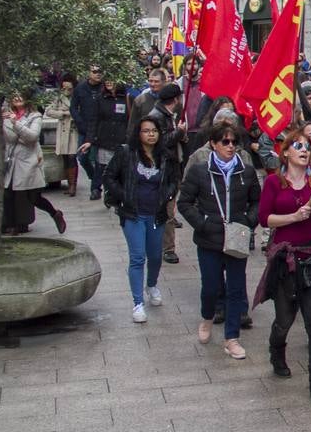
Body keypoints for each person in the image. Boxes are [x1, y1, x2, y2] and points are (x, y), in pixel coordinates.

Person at [256, 130, 311, 405]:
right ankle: (277, 350)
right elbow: (265, 219)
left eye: (307, 146)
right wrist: (293, 217)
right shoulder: (275, 183)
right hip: (285, 259)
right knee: (285, 320)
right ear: (285, 152)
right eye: (297, 145)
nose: (304, 149)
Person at [178, 120, 262, 359]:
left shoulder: (245, 171)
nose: (231, 146)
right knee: (211, 287)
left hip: (237, 237)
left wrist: (248, 220)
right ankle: (206, 317)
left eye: (234, 142)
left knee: (236, 289)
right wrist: (202, 222)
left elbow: (257, 200)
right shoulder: (200, 170)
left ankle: (231, 337)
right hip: (209, 239)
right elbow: (184, 202)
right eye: (225, 141)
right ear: (213, 144)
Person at [102, 115, 179, 323]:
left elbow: (174, 180)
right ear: (139, 133)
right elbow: (108, 176)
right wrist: (124, 195)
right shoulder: (126, 153)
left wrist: (167, 196)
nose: (151, 134)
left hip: (157, 214)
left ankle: (151, 284)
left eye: (154, 131)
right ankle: (137, 303)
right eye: (146, 131)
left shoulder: (166, 156)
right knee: (137, 257)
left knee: (155, 256)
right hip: (133, 214)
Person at [1, 92, 66, 236]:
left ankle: (55, 214)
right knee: (8, 194)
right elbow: (6, 137)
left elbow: (33, 137)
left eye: (20, 96)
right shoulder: (6, 115)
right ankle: (12, 226)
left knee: (33, 197)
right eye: (14, 96)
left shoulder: (34, 116)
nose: (17, 99)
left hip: (29, 161)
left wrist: (15, 124)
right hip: (12, 160)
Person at [146, 83, 187, 264]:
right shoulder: (157, 117)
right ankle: (167, 248)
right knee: (167, 210)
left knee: (168, 209)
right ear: (175, 99)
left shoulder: (166, 115)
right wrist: (179, 132)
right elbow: (161, 143)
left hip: (172, 167)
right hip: (163, 169)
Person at [70, 65, 106, 199]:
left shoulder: (104, 88)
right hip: (84, 127)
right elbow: (73, 107)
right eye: (95, 72)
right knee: (82, 157)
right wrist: (79, 121)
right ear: (89, 73)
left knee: (98, 158)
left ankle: (95, 188)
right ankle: (94, 177)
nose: (98, 74)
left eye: (100, 72)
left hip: (99, 128)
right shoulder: (80, 88)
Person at [44, 74, 80, 195]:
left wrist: (73, 115)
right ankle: (69, 183)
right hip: (63, 128)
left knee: (72, 157)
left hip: (74, 129)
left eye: (69, 88)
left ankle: (73, 185)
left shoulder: (78, 97)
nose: (66, 91)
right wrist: (63, 113)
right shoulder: (58, 97)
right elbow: (48, 111)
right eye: (64, 88)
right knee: (65, 157)